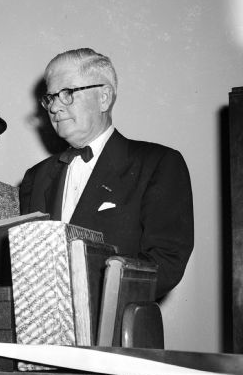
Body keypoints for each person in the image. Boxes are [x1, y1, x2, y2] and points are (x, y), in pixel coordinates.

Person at [20, 48, 194, 298]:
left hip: (115, 328)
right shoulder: (35, 177)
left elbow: (166, 263)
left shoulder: (158, 164)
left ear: (104, 97)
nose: (55, 107)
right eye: (50, 98)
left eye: (67, 93)